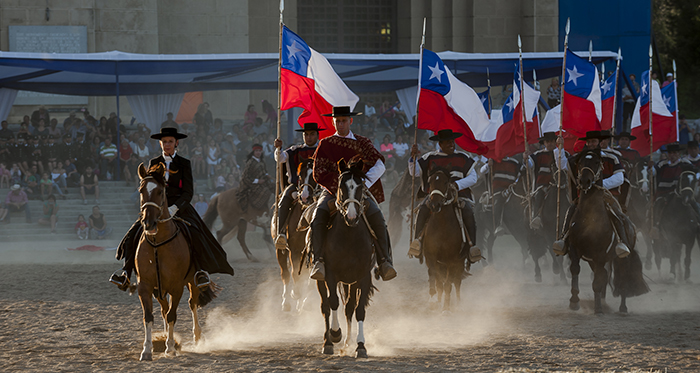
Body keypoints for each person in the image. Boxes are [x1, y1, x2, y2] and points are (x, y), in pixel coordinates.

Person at [110, 127, 234, 291]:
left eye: (170, 141)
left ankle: (200, 272)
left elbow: (188, 192)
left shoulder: (184, 163)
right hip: (156, 207)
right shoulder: (154, 163)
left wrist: (175, 207)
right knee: (134, 233)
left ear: (176, 143)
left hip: (179, 207)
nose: (166, 144)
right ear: (160, 144)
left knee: (197, 232)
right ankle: (126, 272)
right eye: (164, 142)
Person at [309, 106, 396, 281]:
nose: (340, 124)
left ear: (351, 121)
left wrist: (361, 184)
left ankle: (384, 261)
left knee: (378, 218)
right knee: (317, 217)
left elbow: (379, 165)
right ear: (333, 122)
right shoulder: (325, 144)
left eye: (343, 121)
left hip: (358, 193)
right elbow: (318, 171)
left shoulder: (363, 142)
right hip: (332, 192)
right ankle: (317, 261)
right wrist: (341, 187)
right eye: (337, 121)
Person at [407, 129, 482, 264]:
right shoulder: (429, 157)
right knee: (423, 210)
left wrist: (457, 185)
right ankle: (417, 242)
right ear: (440, 144)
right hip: (435, 195)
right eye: (448, 143)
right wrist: (413, 158)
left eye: (452, 142)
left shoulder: (463, 157)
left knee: (468, 212)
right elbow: (415, 172)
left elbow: (473, 177)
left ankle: (472, 247)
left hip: (458, 195)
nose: (451, 145)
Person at [553, 131, 631, 258]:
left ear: (599, 143)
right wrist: (559, 148)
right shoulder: (580, 158)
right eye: (589, 142)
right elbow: (563, 165)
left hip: (606, 196)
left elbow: (620, 178)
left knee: (617, 214)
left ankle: (622, 243)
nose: (591, 144)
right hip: (584, 197)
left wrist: (599, 185)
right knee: (571, 210)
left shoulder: (611, 157)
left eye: (594, 141)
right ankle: (563, 239)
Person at [272, 122, 322, 248]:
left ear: (317, 135)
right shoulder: (295, 150)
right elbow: (281, 158)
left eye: (312, 134)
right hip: (296, 186)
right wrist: (278, 149)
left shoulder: (323, 150)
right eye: (306, 134)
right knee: (284, 200)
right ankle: (281, 233)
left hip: (320, 188)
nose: (309, 137)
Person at [650, 143, 700, 237]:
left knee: (694, 204)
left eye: (674, 153)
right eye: (670, 153)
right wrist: (650, 167)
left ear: (679, 153)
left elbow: (693, 172)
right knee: (658, 205)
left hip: (680, 192)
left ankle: (698, 224)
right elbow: (653, 172)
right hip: (664, 192)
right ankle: (656, 226)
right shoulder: (662, 163)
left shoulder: (685, 162)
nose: (672, 155)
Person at [526, 132, 568, 229]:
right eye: (547, 142)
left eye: (552, 141)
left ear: (555, 142)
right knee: (539, 195)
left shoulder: (563, 153)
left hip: (560, 185)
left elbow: (565, 166)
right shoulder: (537, 155)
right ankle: (537, 217)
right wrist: (526, 159)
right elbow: (530, 165)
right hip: (543, 185)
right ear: (544, 143)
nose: (550, 144)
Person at [236, 143, 272, 212]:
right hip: (252, 185)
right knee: (267, 193)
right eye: (256, 151)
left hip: (263, 182)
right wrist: (257, 181)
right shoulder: (250, 162)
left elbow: (264, 171)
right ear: (253, 152)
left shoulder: (262, 161)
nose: (258, 152)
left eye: (259, 151)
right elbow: (245, 177)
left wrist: (267, 175)